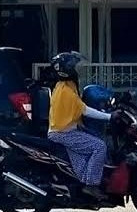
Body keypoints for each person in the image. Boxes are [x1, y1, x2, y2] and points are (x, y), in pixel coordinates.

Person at [47, 51, 114, 198]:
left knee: (81, 166)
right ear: (67, 70)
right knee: (99, 147)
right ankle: (91, 185)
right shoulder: (66, 91)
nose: (78, 69)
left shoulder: (64, 85)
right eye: (75, 67)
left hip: (63, 131)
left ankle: (83, 193)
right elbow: (84, 110)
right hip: (64, 133)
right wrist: (109, 117)